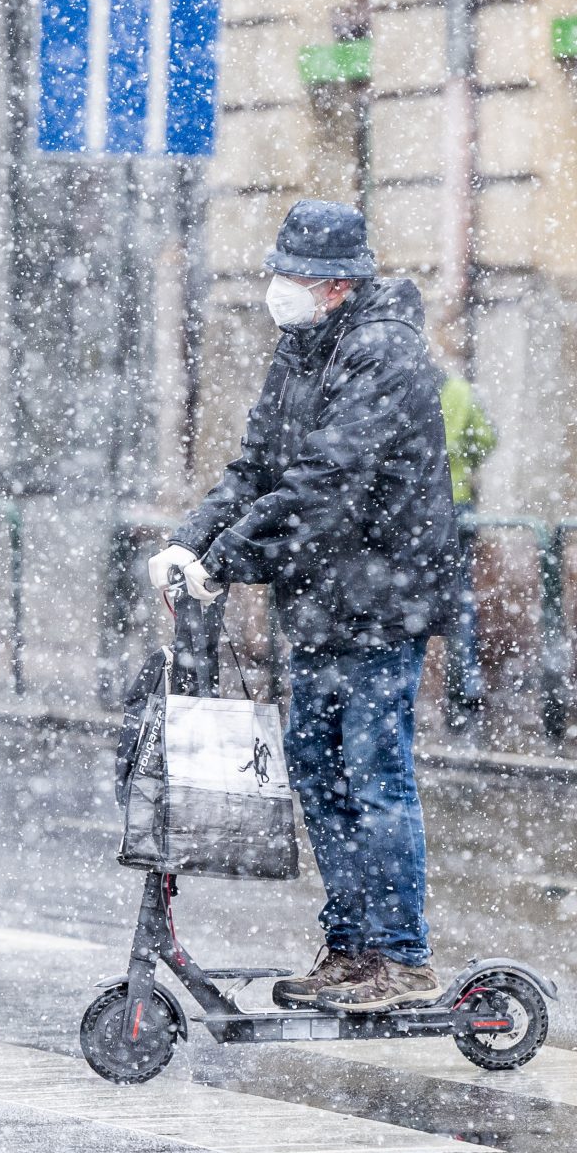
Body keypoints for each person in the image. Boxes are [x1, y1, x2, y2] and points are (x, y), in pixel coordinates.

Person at [147, 199, 461, 1013]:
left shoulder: (383, 355)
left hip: (382, 604)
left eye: (288, 273)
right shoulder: (301, 350)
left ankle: (400, 955)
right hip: (322, 602)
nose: (274, 286)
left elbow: (327, 482)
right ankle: (351, 946)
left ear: (333, 285)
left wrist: (229, 560)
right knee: (319, 770)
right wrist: (192, 540)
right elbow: (254, 466)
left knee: (373, 771)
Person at [438, 371, 498, 727]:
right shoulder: (459, 391)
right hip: (457, 504)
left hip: (416, 508)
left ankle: (404, 684)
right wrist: (462, 462)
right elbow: (486, 439)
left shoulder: (401, 385)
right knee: (460, 597)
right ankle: (465, 682)